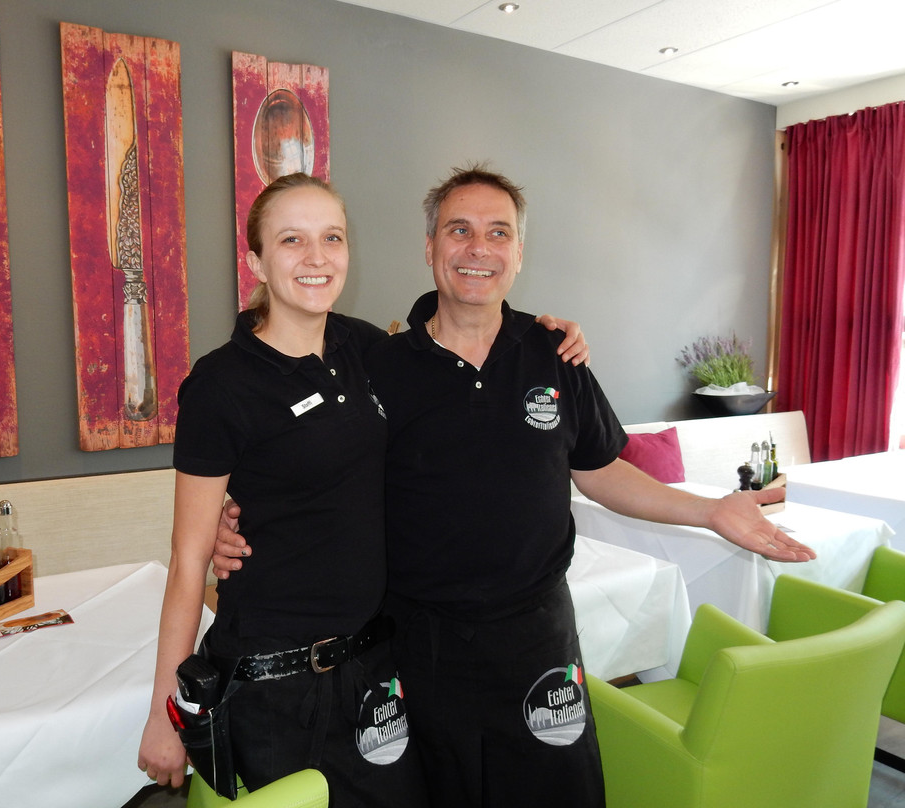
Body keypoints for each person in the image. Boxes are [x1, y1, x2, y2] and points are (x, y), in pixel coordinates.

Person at [214, 163, 815, 807]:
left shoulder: (556, 353)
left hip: (537, 638)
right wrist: (237, 514)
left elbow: (600, 469)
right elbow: (316, 463)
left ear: (519, 253)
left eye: (498, 232)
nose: (479, 248)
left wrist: (710, 511)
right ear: (430, 247)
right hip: (415, 644)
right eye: (459, 230)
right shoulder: (378, 365)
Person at [136, 171, 585, 802]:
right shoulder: (221, 384)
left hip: (375, 670)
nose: (316, 257)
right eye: (292, 240)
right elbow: (187, 560)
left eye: (332, 237)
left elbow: (449, 364)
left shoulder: (364, 349)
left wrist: (543, 333)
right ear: (256, 261)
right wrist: (166, 711)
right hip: (277, 682)